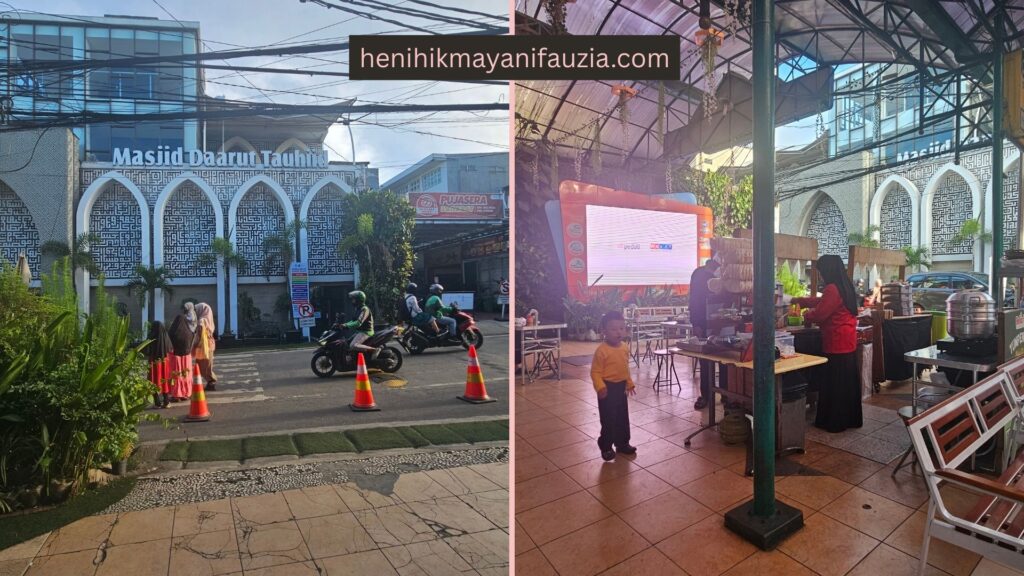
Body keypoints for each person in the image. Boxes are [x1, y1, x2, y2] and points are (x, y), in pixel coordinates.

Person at [793, 254, 863, 433]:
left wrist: (804, 315)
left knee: (835, 383)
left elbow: (820, 314)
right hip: (848, 340)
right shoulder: (845, 285)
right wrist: (800, 301)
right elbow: (823, 301)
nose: (821, 276)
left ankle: (834, 421)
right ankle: (849, 418)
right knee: (846, 383)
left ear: (828, 270)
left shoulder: (832, 288)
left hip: (836, 341)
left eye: (821, 272)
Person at [591, 311, 636, 461]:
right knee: (609, 419)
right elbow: (595, 372)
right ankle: (605, 445)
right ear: (604, 331)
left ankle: (622, 443)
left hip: (621, 388)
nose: (619, 332)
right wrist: (600, 387)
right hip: (607, 389)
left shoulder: (624, 347)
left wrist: (629, 383)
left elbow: (624, 367)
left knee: (622, 417)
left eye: (622, 328)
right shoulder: (601, 351)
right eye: (614, 329)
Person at [689, 254, 721, 410]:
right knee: (706, 360)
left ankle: (725, 394)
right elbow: (694, 300)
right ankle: (707, 395)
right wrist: (696, 323)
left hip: (721, 324)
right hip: (703, 323)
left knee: (724, 360)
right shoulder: (700, 275)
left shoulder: (721, 276)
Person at [167, 305, 198, 401]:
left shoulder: (172, 332)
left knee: (176, 375)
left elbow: (168, 343)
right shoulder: (189, 332)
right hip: (187, 357)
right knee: (186, 375)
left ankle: (176, 394)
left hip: (175, 357)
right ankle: (186, 393)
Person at [145, 321, 173, 408]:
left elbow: (146, 350)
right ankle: (166, 401)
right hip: (164, 362)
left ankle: (157, 402)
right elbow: (170, 349)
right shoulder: (166, 336)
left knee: (153, 380)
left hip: (153, 362)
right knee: (164, 380)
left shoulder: (151, 337)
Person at [193, 302, 218, 391]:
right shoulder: (209, 320)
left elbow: (199, 334)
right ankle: (210, 382)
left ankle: (211, 381)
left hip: (203, 346)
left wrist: (194, 344)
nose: (195, 312)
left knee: (202, 366)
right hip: (209, 344)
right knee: (207, 365)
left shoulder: (201, 321)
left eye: (196, 310)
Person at [344, 290, 375, 361]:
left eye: (354, 299)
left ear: (359, 300)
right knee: (346, 343)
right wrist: (344, 324)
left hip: (366, 332)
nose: (352, 301)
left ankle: (374, 350)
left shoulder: (364, 309)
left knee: (353, 345)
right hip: (360, 331)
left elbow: (358, 323)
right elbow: (353, 321)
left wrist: (347, 326)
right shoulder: (358, 309)